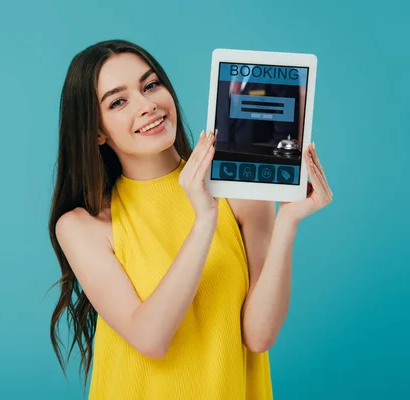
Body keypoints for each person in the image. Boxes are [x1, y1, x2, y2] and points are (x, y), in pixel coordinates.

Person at [47, 39, 333, 400]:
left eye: (151, 85)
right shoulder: (83, 225)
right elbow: (150, 338)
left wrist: (288, 221)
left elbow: (259, 337)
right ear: (97, 131)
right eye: (118, 101)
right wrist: (203, 220)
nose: (148, 105)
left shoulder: (241, 191)